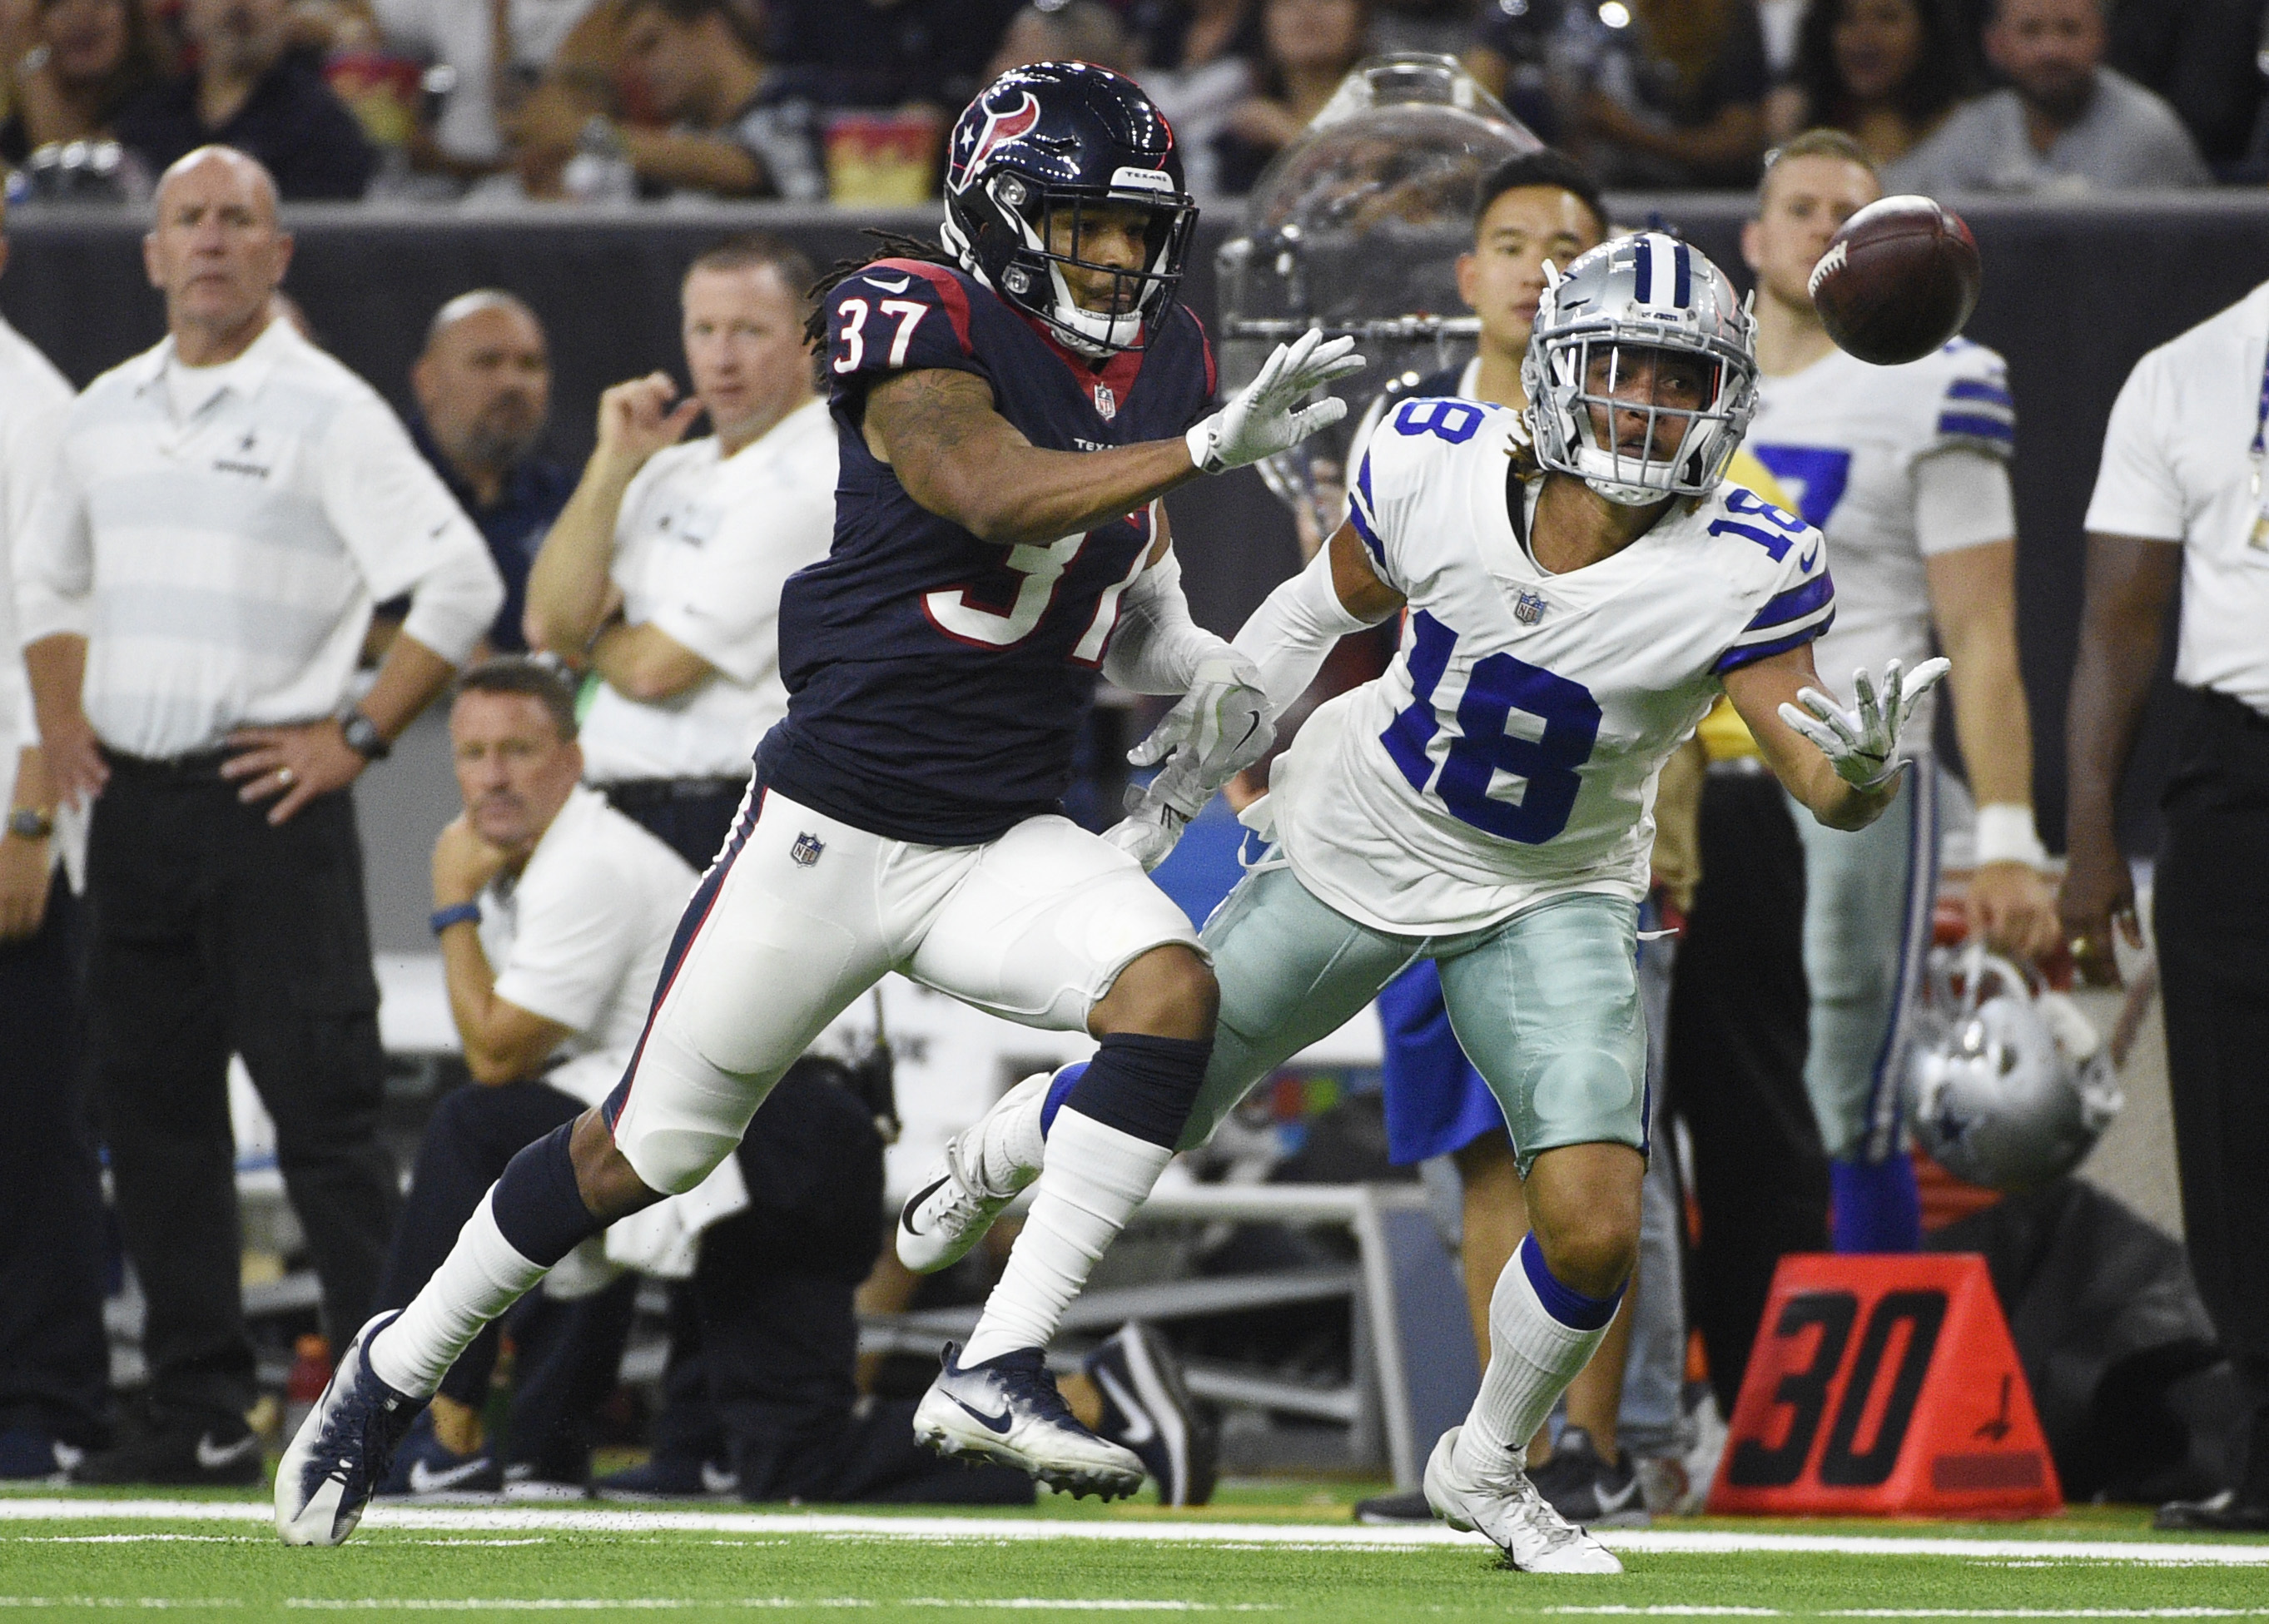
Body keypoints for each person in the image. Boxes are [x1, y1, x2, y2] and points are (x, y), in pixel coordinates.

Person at [276, 60, 1362, 1547]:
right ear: (994, 216)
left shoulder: (1165, 354)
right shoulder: (909, 308)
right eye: (1081, 225)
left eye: (1135, 230)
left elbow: (1109, 566)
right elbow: (979, 486)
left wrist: (1195, 659)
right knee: (639, 1153)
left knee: (1168, 993)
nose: (1116, 259)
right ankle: (391, 1371)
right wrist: (1204, 448)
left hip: (997, 837)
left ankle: (997, 1361)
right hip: (827, 833)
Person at [902, 228, 1940, 1573]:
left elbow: (1817, 776)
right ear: (1556, 368)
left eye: (1679, 380)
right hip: (1360, 839)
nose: (1643, 401)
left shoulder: (1746, 556)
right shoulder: (1438, 460)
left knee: (1593, 1220)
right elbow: (1309, 612)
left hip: (1551, 888)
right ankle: (997, 1153)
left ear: (1724, 402)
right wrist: (1221, 744)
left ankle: (1488, 1463)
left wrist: (1864, 780)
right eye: (1620, 365)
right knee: (1162, 1095)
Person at [15, 147, 504, 1486]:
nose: (213, 241)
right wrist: (62, 724)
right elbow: (45, 584)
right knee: (155, 1120)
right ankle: (201, 1410)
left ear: (280, 254)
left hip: (267, 804)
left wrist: (354, 735)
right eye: (190, 220)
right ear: (152, 254)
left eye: (240, 219)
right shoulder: (103, 411)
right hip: (130, 804)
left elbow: (455, 583)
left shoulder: (325, 408)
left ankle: (384, 1408)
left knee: (326, 1116)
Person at [1330, 150, 1681, 1530]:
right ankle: (1506, 1453)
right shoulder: (1415, 433)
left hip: (1577, 852)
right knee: (1479, 1155)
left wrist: (1679, 823)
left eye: (1569, 246)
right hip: (1420, 841)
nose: (1539, 267)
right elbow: (1361, 631)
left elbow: (1694, 656)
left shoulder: (1658, 428)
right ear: (1467, 276)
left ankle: (1594, 1449)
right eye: (1512, 241)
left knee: (1583, 1147)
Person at [1741, 128, 2058, 1253]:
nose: (1825, 226)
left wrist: (2011, 831)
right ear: (1753, 234)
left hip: (1860, 761)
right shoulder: (1690, 369)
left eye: (1852, 212)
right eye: (1802, 206)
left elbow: (1979, 629)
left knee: (1847, 1067)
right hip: (1695, 766)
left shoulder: (1938, 382)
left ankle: (1860, 1343)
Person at [370, 657, 698, 1498]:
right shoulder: (552, 853)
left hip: (713, 1139)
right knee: (540, 1141)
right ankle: (545, 1445)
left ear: (572, 760)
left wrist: (450, 904)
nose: (492, 776)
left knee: (478, 1123)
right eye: (472, 754)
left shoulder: (585, 862)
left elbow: (496, 1054)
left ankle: (441, 1427)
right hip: (664, 1118)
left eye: (517, 750)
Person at [2060, 278, 2269, 1533]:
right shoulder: (2186, 367)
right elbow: (2115, 623)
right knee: (2235, 1118)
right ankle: (2264, 1440)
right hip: (2239, 766)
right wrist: (2089, 837)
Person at [524, 234, 835, 873]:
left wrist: (590, 630)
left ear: (810, 337)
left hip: (720, 815)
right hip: (610, 809)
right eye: (703, 329)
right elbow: (546, 621)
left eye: (750, 331)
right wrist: (611, 466)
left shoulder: (820, 473)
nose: (722, 358)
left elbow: (653, 670)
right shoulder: (668, 468)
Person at [0, 187, 109, 1483]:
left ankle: (45, 1395)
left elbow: (56, 612)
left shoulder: (32, 404)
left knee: (25, 1128)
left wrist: (32, 811)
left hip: (9, 815)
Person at [1884, 0, 2208, 193]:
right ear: (1995, 45)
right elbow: (1894, 195)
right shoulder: (1977, 128)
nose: (2050, 50)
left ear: (2101, 37)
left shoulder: (2146, 130)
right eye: (2031, 31)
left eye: (2069, 29)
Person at [514, 0, 823, 201]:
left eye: (650, 45)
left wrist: (586, 133)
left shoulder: (801, 98)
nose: (639, 71)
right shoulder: (668, 144)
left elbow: (740, 168)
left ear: (709, 27)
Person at [405, 291, 574, 658]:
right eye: (487, 363)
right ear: (427, 380)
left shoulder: (570, 502)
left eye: (530, 365)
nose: (512, 383)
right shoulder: (380, 485)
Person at [1466, 0, 1771, 190]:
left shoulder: (1723, 11)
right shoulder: (1528, 7)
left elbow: (1740, 141)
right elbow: (1476, 95)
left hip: (1684, 204)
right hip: (1551, 194)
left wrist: (1626, 130)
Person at [112, 0, 377, 200]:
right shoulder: (148, 116)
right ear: (188, 8)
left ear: (288, 11)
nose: (239, 5)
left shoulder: (324, 126)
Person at [1768, 0, 1977, 165]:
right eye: (1848, 18)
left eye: (1886, 17)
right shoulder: (1795, 132)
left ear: (1928, 29)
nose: (1865, 37)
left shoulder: (1976, 133)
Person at [1213, 0, 1367, 196]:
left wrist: (1287, 132)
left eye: (1326, 2)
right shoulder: (1244, 137)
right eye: (1289, 3)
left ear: (1361, 18)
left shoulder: (1390, 119)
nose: (1307, 10)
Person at [0, 0, 170, 166]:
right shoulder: (18, 131)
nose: (81, 14)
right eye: (57, 3)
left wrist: (31, 65)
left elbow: (74, 180)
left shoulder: (168, 110)